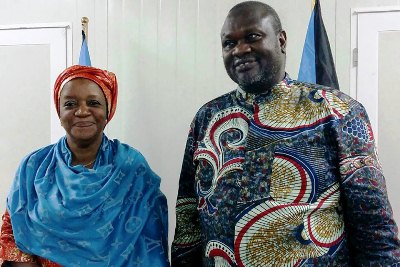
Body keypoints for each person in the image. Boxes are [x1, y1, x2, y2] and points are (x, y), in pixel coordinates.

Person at [171, 1, 400, 266]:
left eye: (252, 37)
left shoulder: (336, 112)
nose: (240, 50)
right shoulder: (207, 118)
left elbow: (374, 227)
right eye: (229, 43)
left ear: (281, 40)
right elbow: (188, 221)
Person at [0, 65, 169, 266]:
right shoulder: (34, 167)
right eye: (70, 104)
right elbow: (13, 232)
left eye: (93, 103)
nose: (81, 111)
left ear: (108, 111)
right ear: (59, 111)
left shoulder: (131, 167)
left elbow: (150, 240)